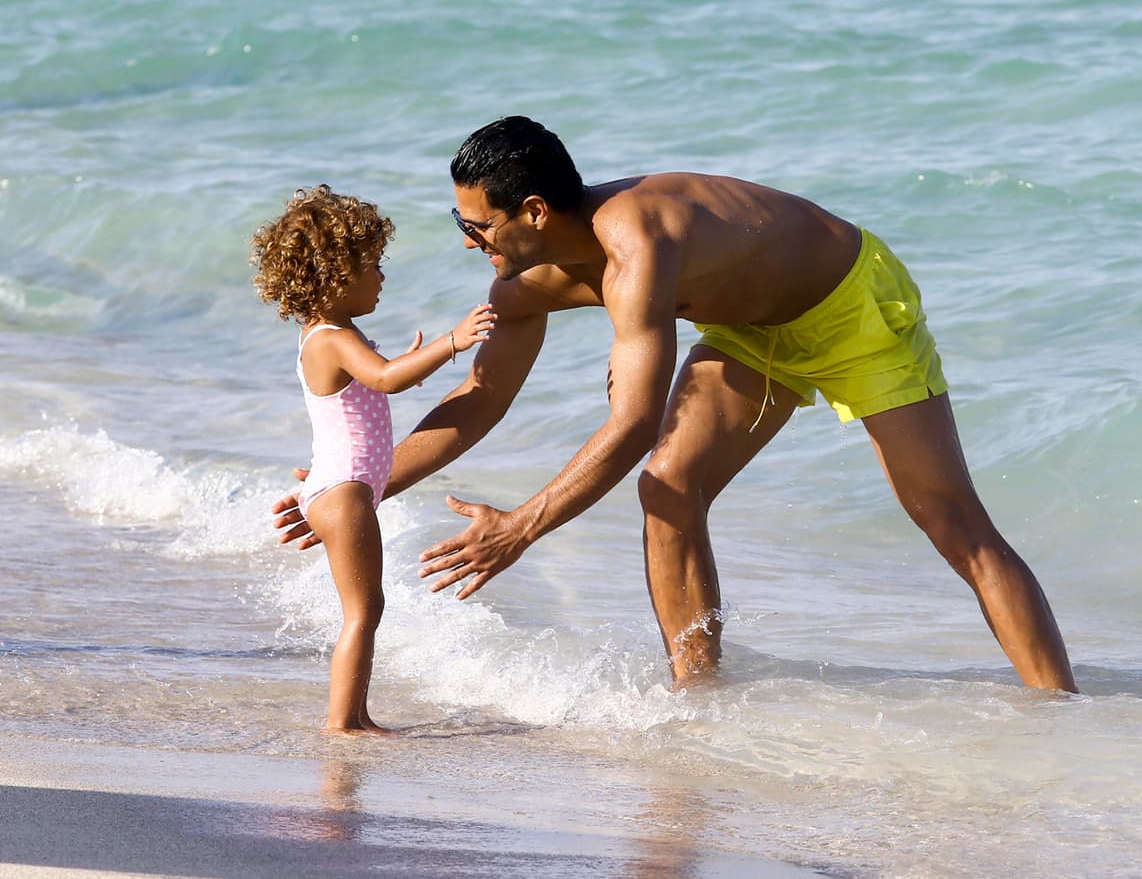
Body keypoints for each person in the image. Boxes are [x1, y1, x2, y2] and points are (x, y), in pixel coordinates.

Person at [272, 118, 1078, 693]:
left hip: (848, 305)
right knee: (669, 486)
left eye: (474, 223)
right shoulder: (525, 289)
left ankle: (1060, 718)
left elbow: (628, 425)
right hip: (750, 330)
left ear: (535, 213)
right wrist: (354, 487)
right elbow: (479, 397)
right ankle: (701, 705)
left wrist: (522, 524)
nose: (466, 239)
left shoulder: (638, 246)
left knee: (950, 520)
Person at [252, 184, 496, 732]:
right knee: (364, 611)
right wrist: (451, 343)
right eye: (373, 265)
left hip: (337, 485)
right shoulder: (331, 338)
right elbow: (385, 379)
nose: (382, 277)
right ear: (337, 273)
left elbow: (379, 380)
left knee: (368, 609)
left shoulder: (334, 335)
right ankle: (344, 722)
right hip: (343, 492)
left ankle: (356, 714)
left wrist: (409, 360)